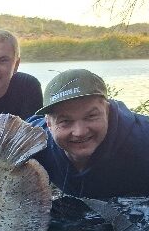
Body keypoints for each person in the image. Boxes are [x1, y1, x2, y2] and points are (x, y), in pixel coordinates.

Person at [28, 68, 149, 198]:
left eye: (91, 116)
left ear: (107, 110)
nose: (79, 132)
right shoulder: (33, 140)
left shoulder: (143, 139)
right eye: (65, 121)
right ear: (49, 123)